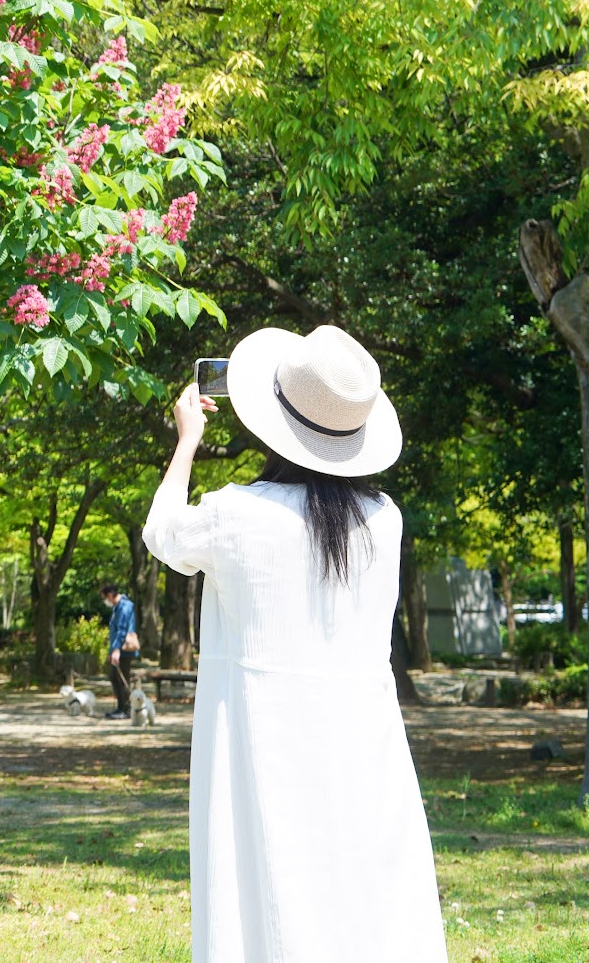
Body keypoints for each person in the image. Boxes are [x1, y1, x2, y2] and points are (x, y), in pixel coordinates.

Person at [145, 324, 446, 962]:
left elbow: (163, 534)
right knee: (362, 903)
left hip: (264, 745)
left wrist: (187, 443)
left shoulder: (237, 513)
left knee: (265, 899)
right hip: (364, 748)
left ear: (273, 421)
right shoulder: (385, 521)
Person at [100, 581, 140, 719]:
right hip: (118, 649)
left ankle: (126, 709)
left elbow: (122, 630)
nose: (105, 601)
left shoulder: (124, 606)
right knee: (114, 676)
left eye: (104, 597)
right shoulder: (117, 607)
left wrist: (116, 649)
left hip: (124, 649)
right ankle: (121, 707)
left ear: (110, 595)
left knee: (122, 678)